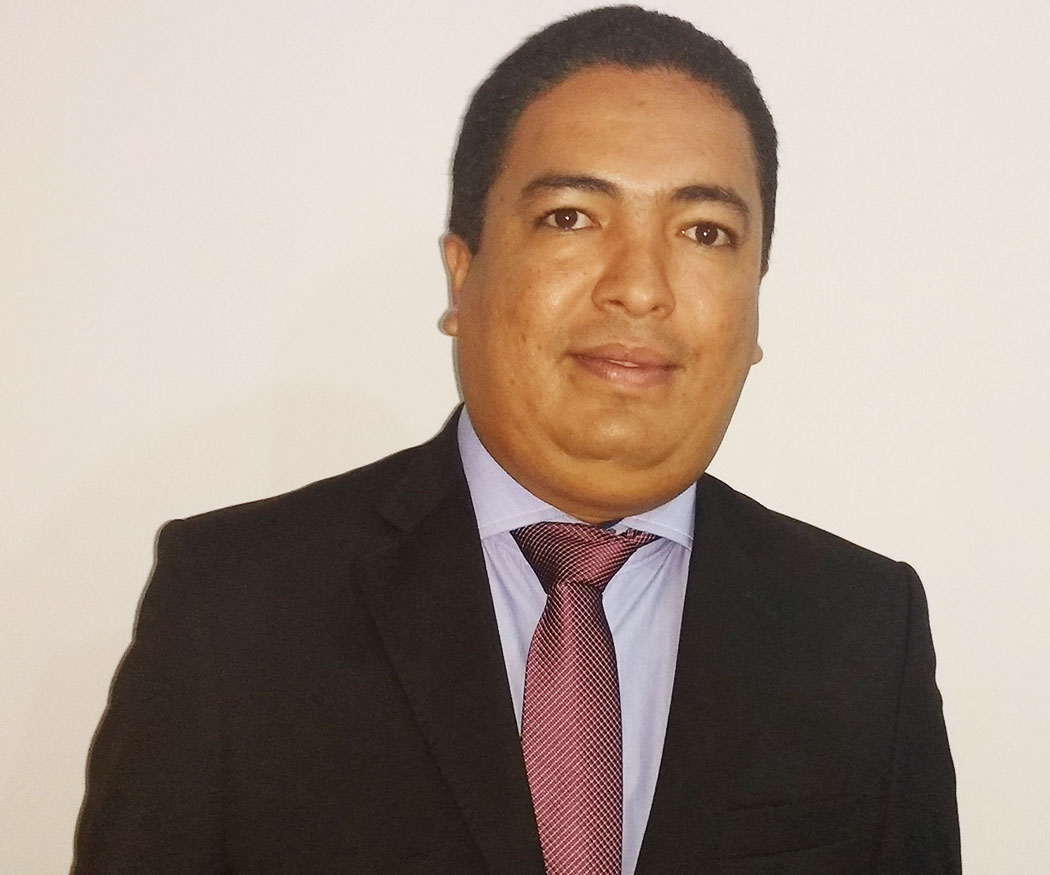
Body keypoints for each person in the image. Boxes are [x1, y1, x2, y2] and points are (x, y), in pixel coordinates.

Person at [72, 6, 960, 873]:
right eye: (572, 216)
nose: (640, 287)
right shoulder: (236, 611)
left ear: (755, 300)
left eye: (704, 232)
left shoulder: (862, 632)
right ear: (462, 276)